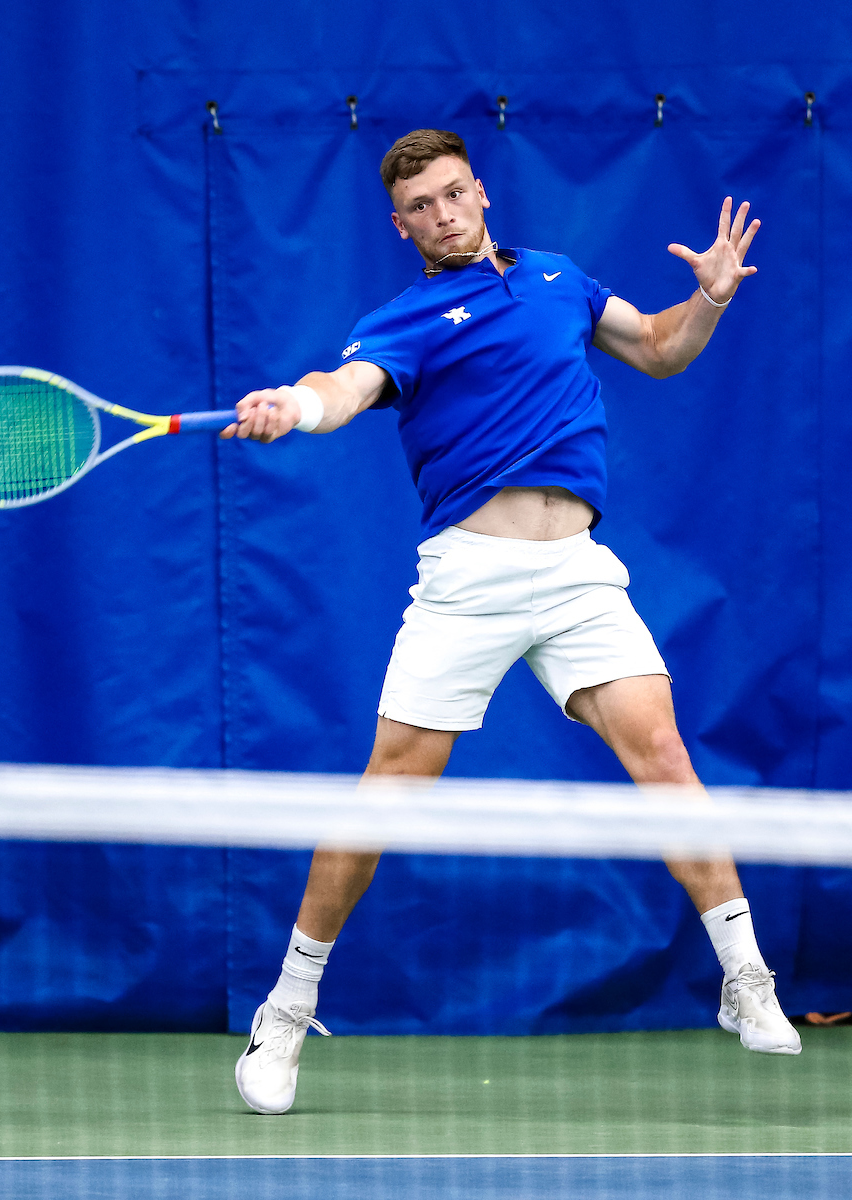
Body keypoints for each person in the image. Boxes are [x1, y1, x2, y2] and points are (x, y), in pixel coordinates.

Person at [225, 128, 802, 1115]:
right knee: (388, 792)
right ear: (400, 224)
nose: (444, 215)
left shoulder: (558, 280)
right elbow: (345, 388)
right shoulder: (404, 319)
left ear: (481, 192)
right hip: (469, 578)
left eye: (455, 194)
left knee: (664, 753)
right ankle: (284, 1012)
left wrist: (708, 295)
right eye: (423, 206)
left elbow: (661, 349)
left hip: (577, 572)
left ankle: (746, 981)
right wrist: (298, 405)